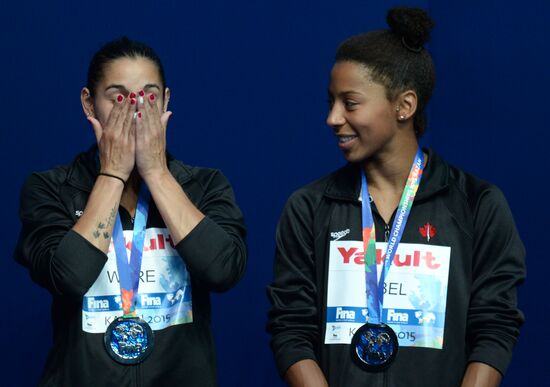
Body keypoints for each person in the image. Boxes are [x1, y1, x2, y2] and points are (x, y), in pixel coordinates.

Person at [267, 7, 525, 387]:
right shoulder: (308, 208)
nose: (333, 118)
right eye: (331, 103)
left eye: (350, 103)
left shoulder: (477, 204)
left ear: (404, 106)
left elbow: (495, 328)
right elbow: (290, 328)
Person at [14, 37, 247, 386]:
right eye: (118, 97)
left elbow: (222, 270)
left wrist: (156, 173)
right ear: (89, 104)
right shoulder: (50, 188)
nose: (135, 111)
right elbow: (69, 276)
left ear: (166, 101)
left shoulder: (204, 185)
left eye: (149, 96)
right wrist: (112, 174)